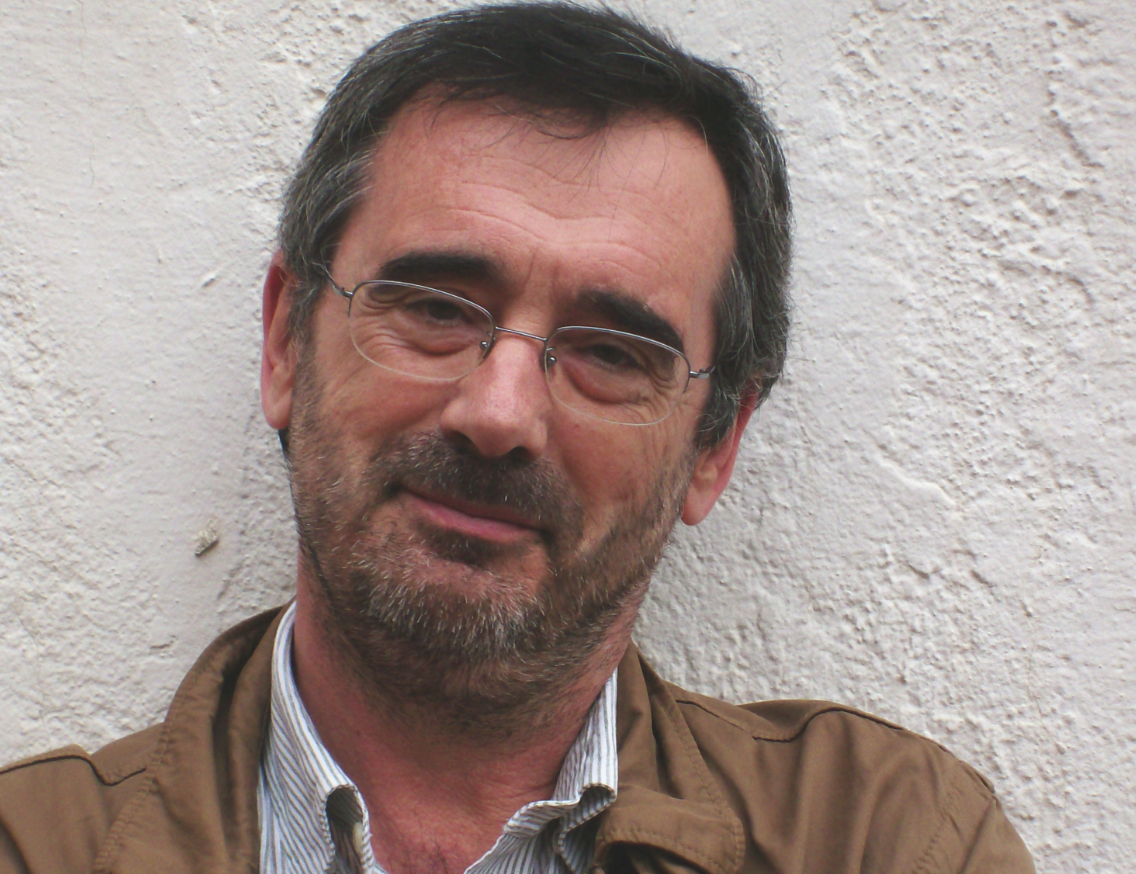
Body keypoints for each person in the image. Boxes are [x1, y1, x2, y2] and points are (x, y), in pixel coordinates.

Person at [0, 3, 1034, 872]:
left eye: (611, 353)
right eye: (434, 309)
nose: (498, 414)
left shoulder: (883, 842)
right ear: (284, 342)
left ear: (714, 445)